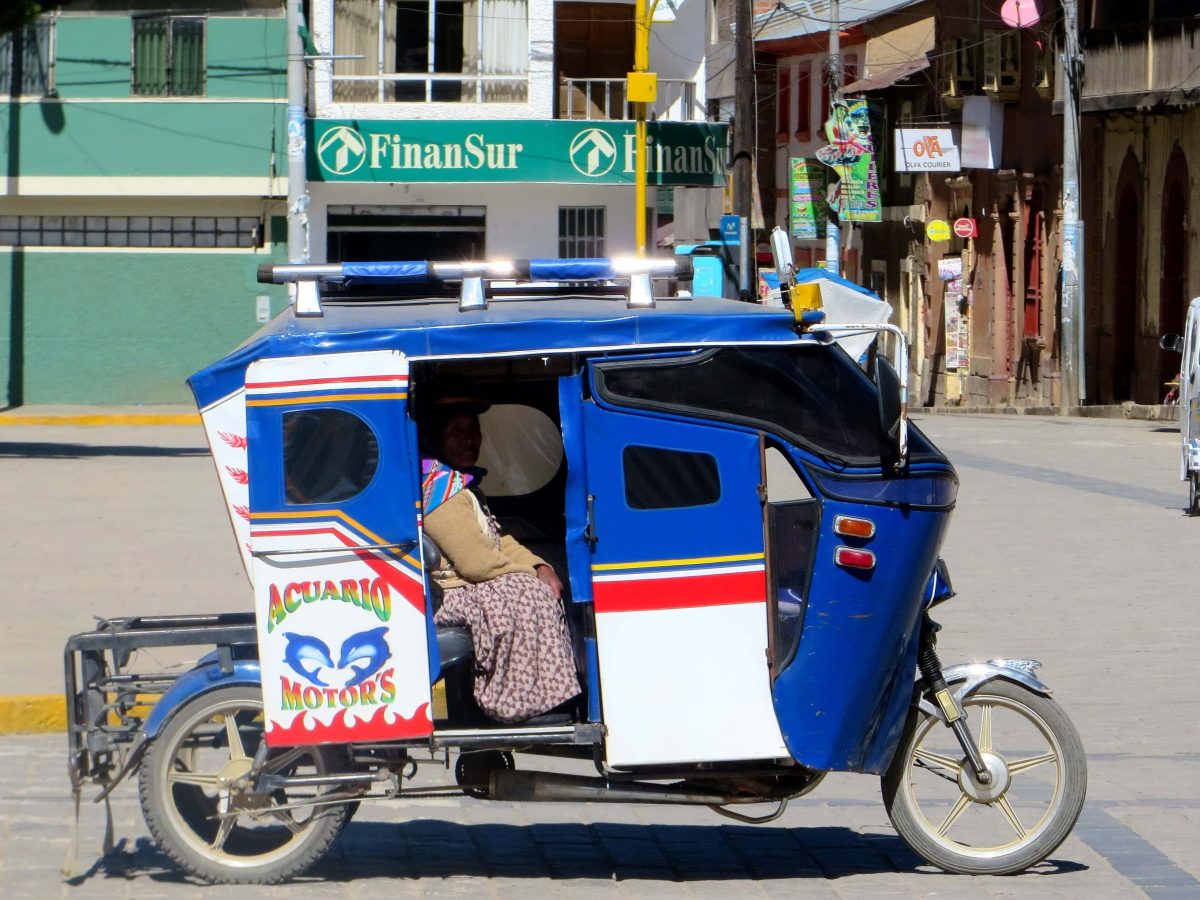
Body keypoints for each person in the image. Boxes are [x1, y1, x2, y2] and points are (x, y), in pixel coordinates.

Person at [418, 379, 581, 725]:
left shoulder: (463, 485)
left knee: (540, 582)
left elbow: (499, 539)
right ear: (434, 439)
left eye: (473, 431)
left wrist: (538, 565)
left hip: (465, 584)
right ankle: (513, 704)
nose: (469, 439)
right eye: (457, 431)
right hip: (446, 594)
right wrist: (527, 577)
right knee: (521, 594)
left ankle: (545, 694)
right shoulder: (439, 491)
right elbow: (477, 564)